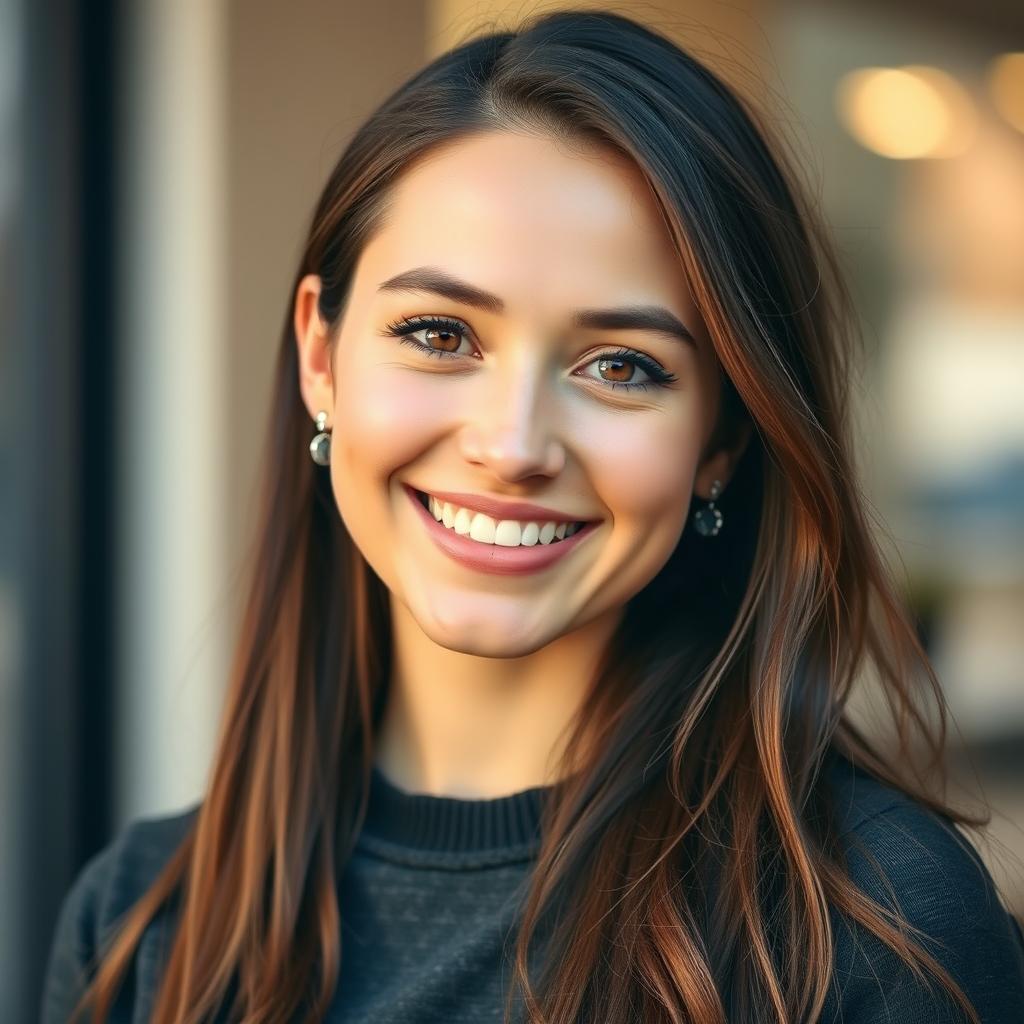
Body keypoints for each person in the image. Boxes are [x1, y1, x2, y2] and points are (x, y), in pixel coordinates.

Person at [41, 8, 1024, 1024]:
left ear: (720, 441)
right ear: (321, 359)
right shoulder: (139, 925)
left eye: (620, 366)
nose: (512, 446)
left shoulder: (868, 930)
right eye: (437, 333)